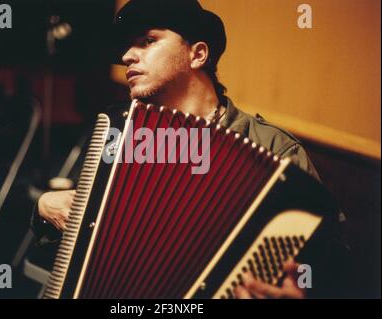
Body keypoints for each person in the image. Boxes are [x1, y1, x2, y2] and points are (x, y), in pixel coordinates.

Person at [32, 0, 351, 299]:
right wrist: (44, 208)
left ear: (197, 55)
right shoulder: (120, 133)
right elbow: (71, 247)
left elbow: (332, 269)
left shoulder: (276, 151)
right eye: (126, 46)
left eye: (147, 40)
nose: (127, 56)